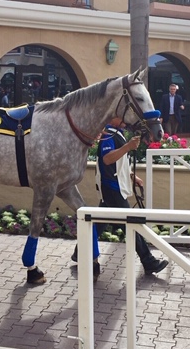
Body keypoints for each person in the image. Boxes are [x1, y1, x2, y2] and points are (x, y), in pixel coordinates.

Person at [71, 117, 169, 277]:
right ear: (113, 119)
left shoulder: (116, 133)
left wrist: (131, 176)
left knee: (100, 223)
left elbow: (119, 161)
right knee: (131, 224)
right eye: (121, 117)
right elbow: (107, 158)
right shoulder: (108, 136)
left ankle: (79, 252)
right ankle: (148, 261)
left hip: (114, 186)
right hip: (111, 187)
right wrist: (128, 147)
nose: (125, 120)